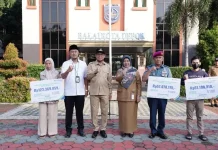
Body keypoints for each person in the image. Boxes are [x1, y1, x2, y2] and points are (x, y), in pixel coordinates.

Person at [142, 51, 172, 139]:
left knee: (162, 113)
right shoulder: (149, 68)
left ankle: (161, 131)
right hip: (152, 97)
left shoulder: (167, 69)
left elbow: (170, 82)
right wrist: (150, 71)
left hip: (163, 96)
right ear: (154, 59)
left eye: (160, 58)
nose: (158, 59)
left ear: (162, 59)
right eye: (157, 58)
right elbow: (143, 79)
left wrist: (172, 94)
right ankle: (153, 131)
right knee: (153, 114)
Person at [61, 45, 88, 138]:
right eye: (72, 51)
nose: (74, 53)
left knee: (79, 112)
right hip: (68, 92)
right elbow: (63, 76)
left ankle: (80, 129)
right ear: (69, 53)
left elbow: (85, 78)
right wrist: (68, 70)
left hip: (80, 92)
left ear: (78, 53)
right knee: (69, 112)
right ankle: (68, 130)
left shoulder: (84, 64)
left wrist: (86, 89)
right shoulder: (65, 64)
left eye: (75, 51)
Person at [181, 56, 208, 141]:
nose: (195, 64)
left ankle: (201, 133)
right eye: (193, 62)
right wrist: (185, 79)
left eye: (197, 62)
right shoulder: (187, 72)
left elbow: (208, 84)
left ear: (199, 63)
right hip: (190, 99)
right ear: (191, 63)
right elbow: (182, 83)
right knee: (189, 117)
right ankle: (189, 132)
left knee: (200, 116)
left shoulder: (203, 74)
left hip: (200, 99)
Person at [87, 48, 112, 138]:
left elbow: (109, 80)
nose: (100, 56)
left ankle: (103, 129)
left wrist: (110, 92)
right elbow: (87, 77)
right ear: (95, 55)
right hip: (94, 91)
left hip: (105, 92)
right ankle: (95, 128)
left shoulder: (108, 66)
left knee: (104, 111)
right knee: (94, 111)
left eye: (101, 54)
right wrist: (94, 72)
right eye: (98, 54)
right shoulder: (91, 65)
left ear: (104, 56)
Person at [116, 55, 142, 138]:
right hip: (122, 95)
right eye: (124, 61)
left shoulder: (135, 71)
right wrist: (123, 75)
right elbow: (117, 79)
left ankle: (131, 130)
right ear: (122, 62)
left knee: (131, 114)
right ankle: (123, 130)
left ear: (130, 62)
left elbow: (139, 84)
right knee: (123, 114)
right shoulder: (120, 70)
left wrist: (139, 95)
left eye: (127, 61)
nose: (126, 62)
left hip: (132, 95)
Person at [38, 58, 60, 138]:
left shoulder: (57, 73)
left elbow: (59, 84)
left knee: (52, 115)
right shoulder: (42, 73)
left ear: (52, 64)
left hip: (53, 97)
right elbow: (39, 85)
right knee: (42, 115)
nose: (48, 65)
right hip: (43, 98)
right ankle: (42, 132)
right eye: (46, 63)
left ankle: (52, 132)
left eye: (49, 63)